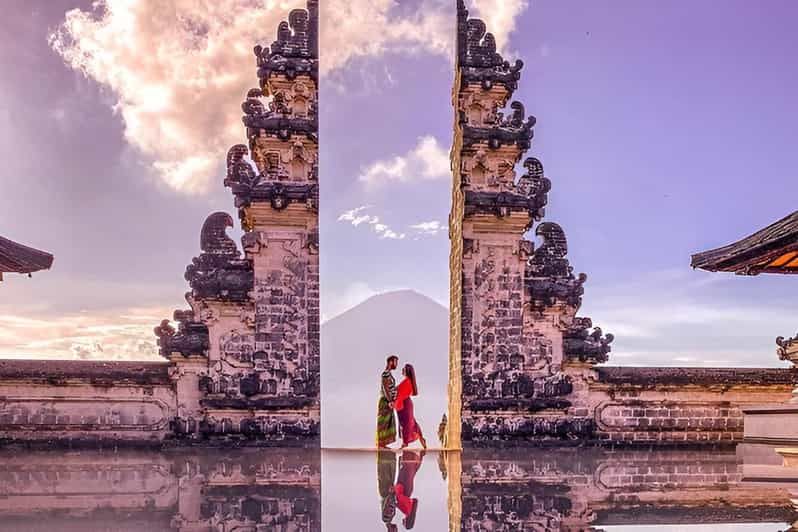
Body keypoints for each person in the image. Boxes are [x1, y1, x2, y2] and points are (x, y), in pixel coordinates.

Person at [393, 363, 427, 449]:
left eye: (403, 369)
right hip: (405, 404)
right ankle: (420, 438)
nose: (402, 370)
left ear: (407, 371)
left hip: (404, 405)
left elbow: (399, 393)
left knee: (406, 424)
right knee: (410, 422)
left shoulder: (407, 381)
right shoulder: (408, 381)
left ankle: (405, 443)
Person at [394, 450, 424, 529]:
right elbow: (399, 496)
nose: (402, 522)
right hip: (404, 482)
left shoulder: (409, 509)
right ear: (407, 521)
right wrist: (395, 502)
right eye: (404, 524)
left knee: (409, 469)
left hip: (406, 483)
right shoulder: (407, 511)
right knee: (408, 467)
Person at [377, 354, 399, 448]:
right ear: (390, 362)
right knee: (384, 424)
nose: (396, 364)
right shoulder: (385, 374)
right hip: (386, 402)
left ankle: (383, 444)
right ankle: (381, 443)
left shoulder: (389, 374)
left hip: (389, 402)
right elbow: (386, 389)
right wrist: (390, 401)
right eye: (395, 362)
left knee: (389, 424)